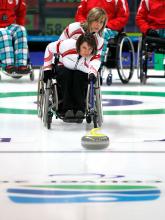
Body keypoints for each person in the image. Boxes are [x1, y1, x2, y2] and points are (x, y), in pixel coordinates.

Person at [43, 33, 100, 122]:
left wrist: (93, 73)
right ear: (79, 45)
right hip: (64, 66)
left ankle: (80, 109)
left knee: (79, 77)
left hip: (81, 71)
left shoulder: (93, 54)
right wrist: (47, 68)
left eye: (90, 49)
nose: (87, 52)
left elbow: (95, 63)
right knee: (66, 75)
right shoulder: (66, 45)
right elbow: (49, 48)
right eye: (84, 48)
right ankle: (66, 108)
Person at [0, 0, 30, 74]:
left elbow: (21, 10)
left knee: (21, 30)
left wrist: (20, 24)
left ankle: (21, 64)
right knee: (4, 33)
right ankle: (8, 65)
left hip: (8, 25)